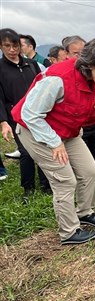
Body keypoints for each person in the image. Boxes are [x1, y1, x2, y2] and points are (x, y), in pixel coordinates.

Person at [11, 37, 95, 245]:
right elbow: (31, 114)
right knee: (65, 180)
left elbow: (77, 107)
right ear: (91, 63)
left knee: (90, 171)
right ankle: (69, 231)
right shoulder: (58, 78)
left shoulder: (90, 79)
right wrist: (55, 143)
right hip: (37, 131)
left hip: (66, 131)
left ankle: (84, 212)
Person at [0, 28, 51, 199]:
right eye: (7, 46)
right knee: (27, 151)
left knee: (44, 147)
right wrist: (3, 121)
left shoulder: (31, 64)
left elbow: (42, 86)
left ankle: (46, 184)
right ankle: (28, 188)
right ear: (1, 46)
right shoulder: (0, 68)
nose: (12, 50)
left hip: (38, 114)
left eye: (15, 46)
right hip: (16, 116)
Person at [63, 35, 95, 178]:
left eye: (83, 52)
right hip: (79, 123)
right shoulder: (66, 74)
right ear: (67, 54)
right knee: (82, 151)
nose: (80, 56)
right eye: (76, 53)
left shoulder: (91, 70)